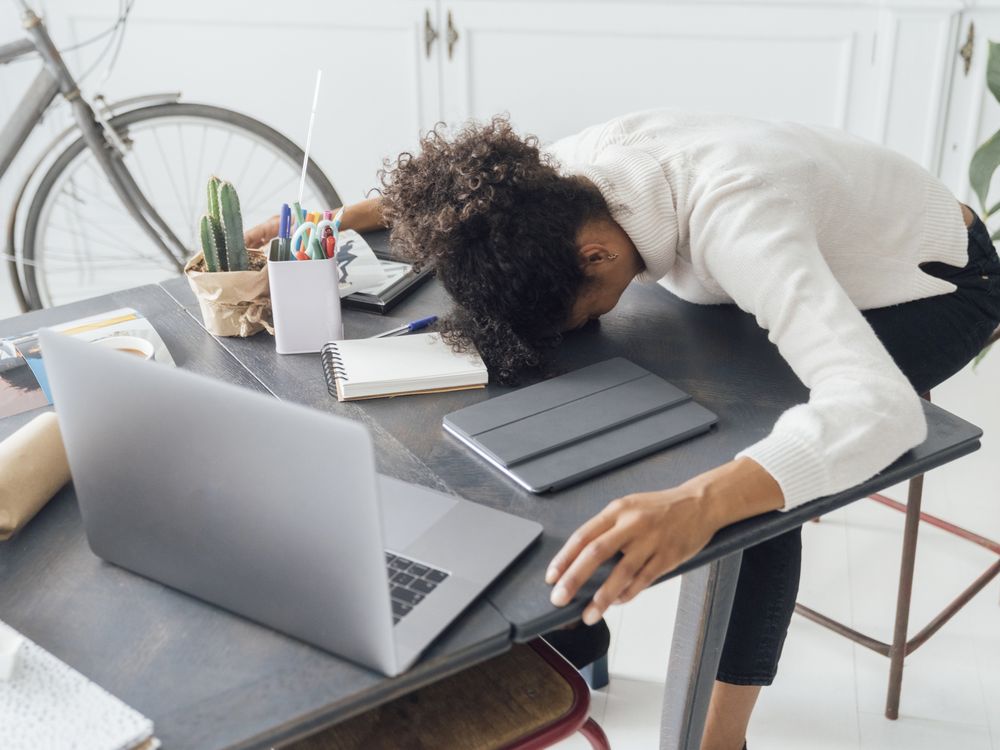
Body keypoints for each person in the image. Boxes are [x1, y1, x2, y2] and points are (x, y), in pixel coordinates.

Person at [245, 111, 1000, 750]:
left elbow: (877, 408)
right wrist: (331, 223)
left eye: (588, 297)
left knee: (760, 483)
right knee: (565, 374)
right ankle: (580, 636)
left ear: (597, 254)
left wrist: (700, 502)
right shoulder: (567, 185)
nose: (591, 312)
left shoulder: (741, 219)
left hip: (932, 287)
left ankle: (718, 739)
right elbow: (471, 200)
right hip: (792, 249)